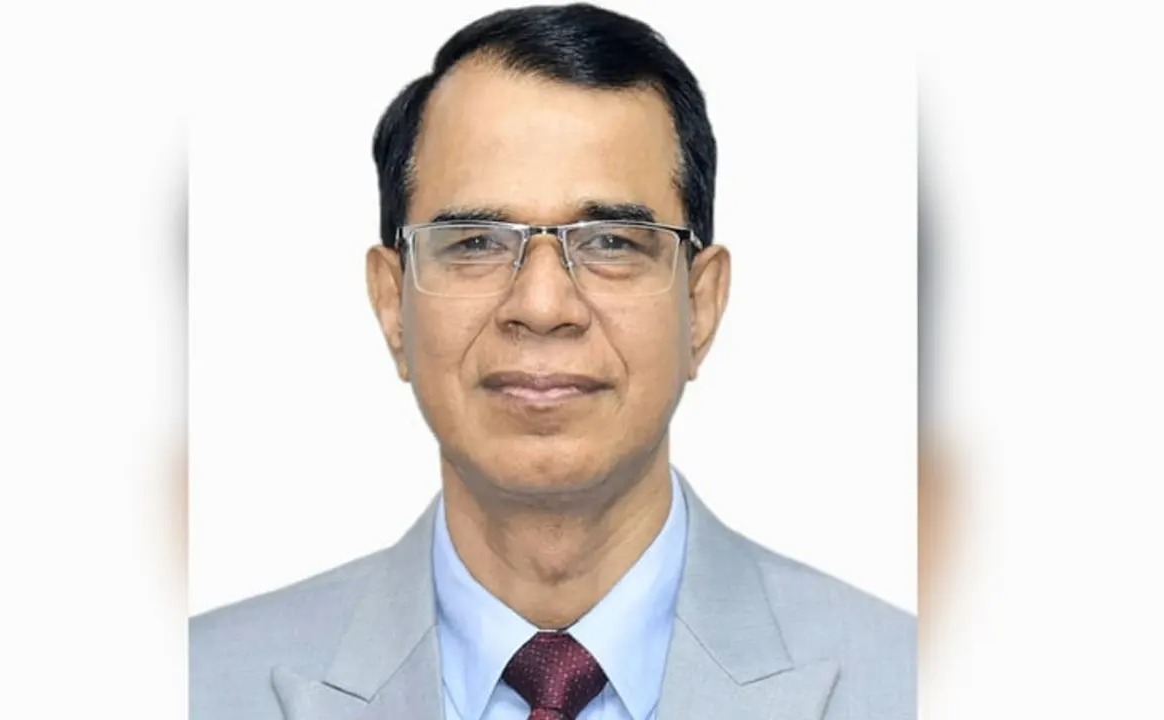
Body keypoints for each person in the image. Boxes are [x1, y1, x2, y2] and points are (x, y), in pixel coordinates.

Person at [190, 4, 914, 719]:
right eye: (476, 243)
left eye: (610, 242)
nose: (541, 306)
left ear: (700, 304)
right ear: (392, 304)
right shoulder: (195, 686)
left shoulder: (914, 684)